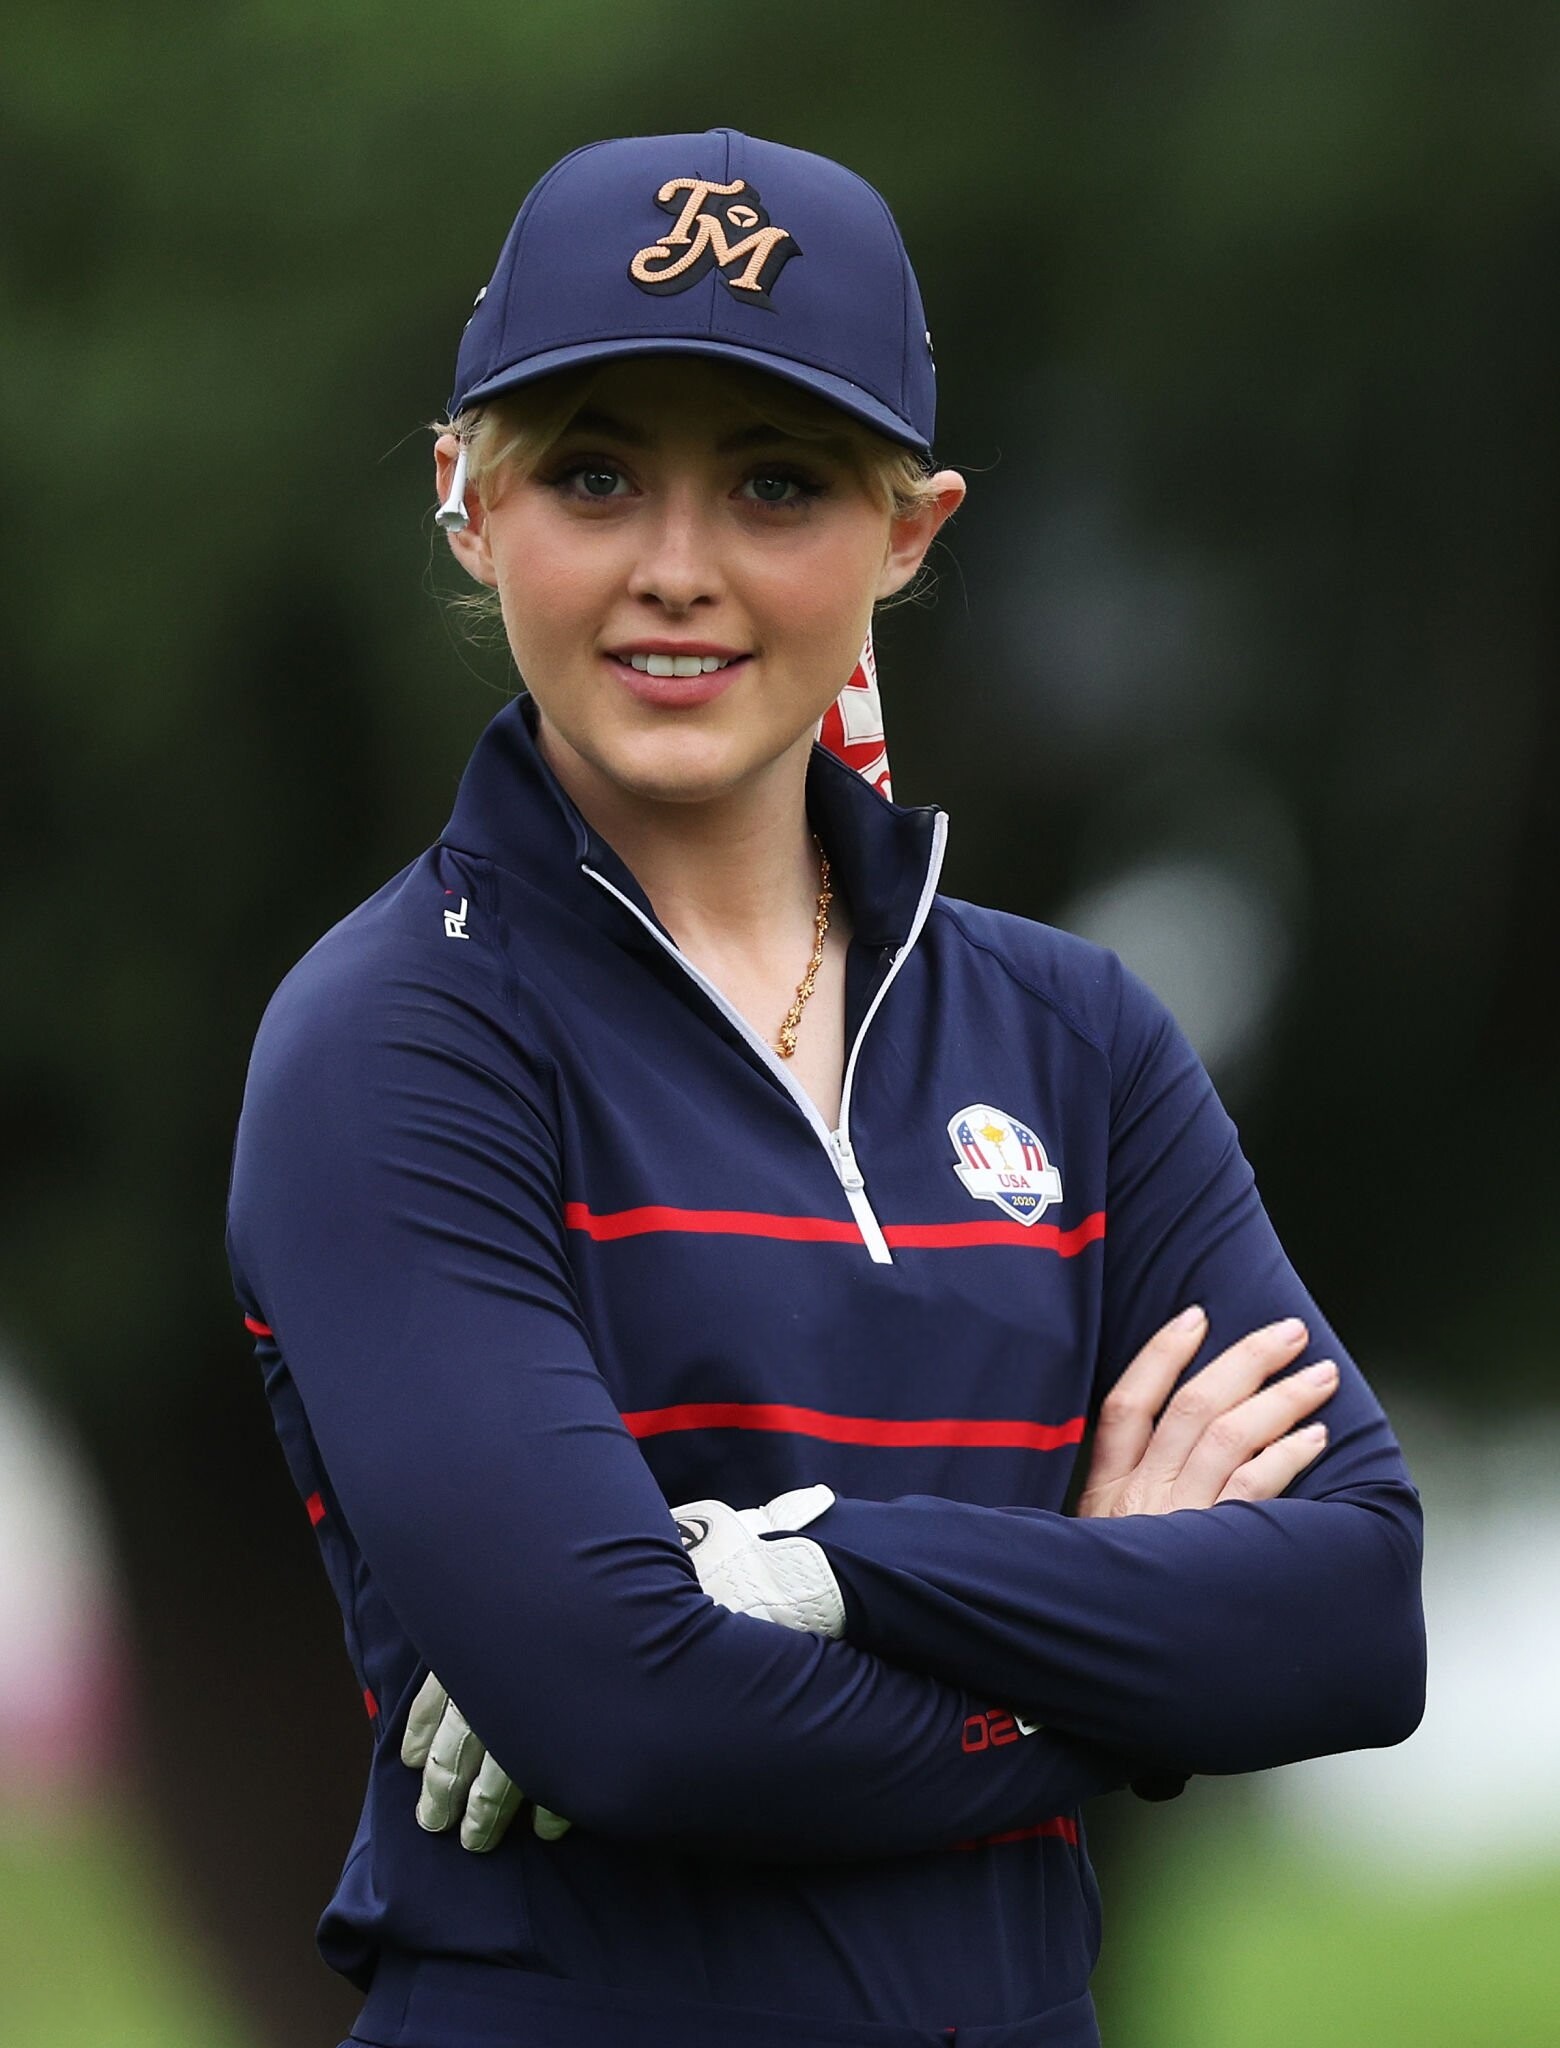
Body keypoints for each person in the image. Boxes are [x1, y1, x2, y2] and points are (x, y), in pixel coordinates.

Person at [226, 130, 1425, 2048]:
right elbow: (630, 1713)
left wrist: (835, 1575)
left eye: (776, 484)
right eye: (595, 475)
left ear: (910, 532)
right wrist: (1117, 1626)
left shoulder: (1077, 1036)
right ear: (467, 499)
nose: (677, 570)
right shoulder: (398, 1038)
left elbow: (1354, 1624)